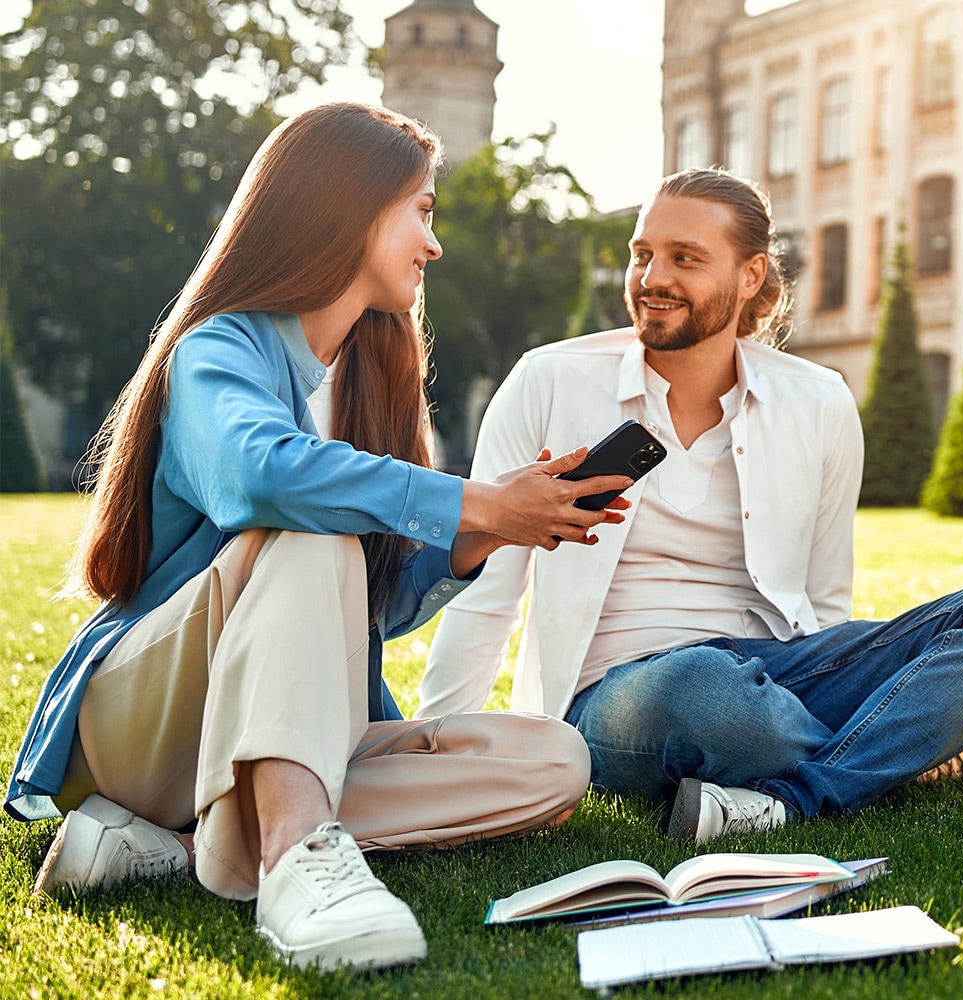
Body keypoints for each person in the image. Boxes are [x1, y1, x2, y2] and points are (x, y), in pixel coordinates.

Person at [9, 103, 606, 970]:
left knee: (553, 760)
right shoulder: (220, 350)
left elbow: (371, 609)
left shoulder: (375, 379)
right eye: (423, 210)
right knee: (310, 530)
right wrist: (473, 501)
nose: (433, 245)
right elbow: (260, 478)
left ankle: (167, 851)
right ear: (348, 205)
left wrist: (487, 536)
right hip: (145, 725)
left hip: (272, 727)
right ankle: (296, 858)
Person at [419, 169, 963, 845]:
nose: (652, 277)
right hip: (621, 696)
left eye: (685, 259)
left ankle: (792, 800)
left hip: (782, 673)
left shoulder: (819, 400)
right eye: (642, 254)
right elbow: (486, 593)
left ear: (751, 275)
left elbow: (825, 599)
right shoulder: (549, 381)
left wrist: (816, 687)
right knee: (708, 689)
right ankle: (914, 749)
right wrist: (427, 754)